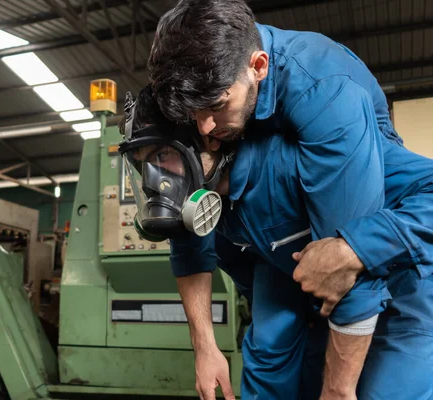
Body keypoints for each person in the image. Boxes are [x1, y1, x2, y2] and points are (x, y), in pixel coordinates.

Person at [117, 1, 433, 398]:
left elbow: (349, 269)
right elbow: (189, 247)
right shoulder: (209, 149)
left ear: (259, 66)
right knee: (268, 349)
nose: (206, 126)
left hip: (401, 271)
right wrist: (206, 348)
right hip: (288, 265)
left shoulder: (324, 103)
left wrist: (357, 246)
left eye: (215, 109)